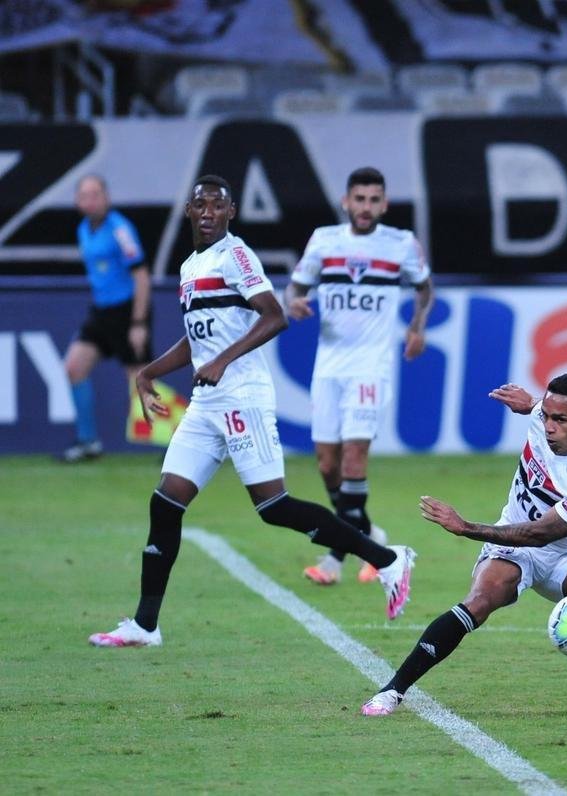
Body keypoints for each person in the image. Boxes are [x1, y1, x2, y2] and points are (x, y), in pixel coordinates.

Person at [88, 174, 416, 649]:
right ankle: (145, 625)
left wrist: (223, 361)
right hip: (206, 403)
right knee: (166, 502)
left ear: (231, 212)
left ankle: (387, 559)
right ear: (188, 211)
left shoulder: (236, 255)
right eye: (200, 204)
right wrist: (148, 373)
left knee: (273, 507)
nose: (207, 212)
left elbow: (274, 315)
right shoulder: (190, 266)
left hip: (243, 397)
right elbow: (197, 339)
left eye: (216, 205)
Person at [360, 374, 567, 717]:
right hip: (513, 550)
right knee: (480, 600)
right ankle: (392, 691)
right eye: (545, 415)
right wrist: (529, 405)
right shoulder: (543, 418)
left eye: (560, 420)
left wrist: (466, 528)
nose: (549, 426)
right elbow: (538, 408)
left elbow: (539, 534)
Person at [284, 167, 434, 586]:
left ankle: (336, 560)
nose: (366, 207)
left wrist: (417, 327)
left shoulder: (400, 243)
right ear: (345, 202)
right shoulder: (324, 240)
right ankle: (372, 537)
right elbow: (294, 288)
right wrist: (293, 302)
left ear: (384, 205)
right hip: (328, 367)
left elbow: (424, 289)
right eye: (359, 199)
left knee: (353, 459)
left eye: (373, 200)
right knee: (327, 465)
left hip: (371, 367)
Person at [61, 175, 153, 462]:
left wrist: (138, 323)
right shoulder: (83, 229)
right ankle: (88, 442)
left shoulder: (120, 230)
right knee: (73, 367)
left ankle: (179, 442)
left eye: (96, 194)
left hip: (127, 311)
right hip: (101, 312)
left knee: (140, 381)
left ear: (107, 198)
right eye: (84, 196)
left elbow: (142, 277)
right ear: (77, 201)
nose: (90, 201)